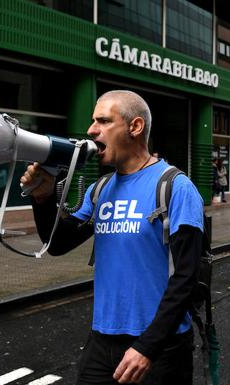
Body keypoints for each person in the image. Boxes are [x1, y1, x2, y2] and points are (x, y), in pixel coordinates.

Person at [21, 90, 204, 385]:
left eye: (103, 121)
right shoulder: (100, 189)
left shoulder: (175, 187)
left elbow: (186, 277)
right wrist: (42, 200)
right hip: (102, 341)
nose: (92, 130)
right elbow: (57, 244)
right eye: (93, 121)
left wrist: (148, 347)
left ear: (135, 127)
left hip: (160, 347)